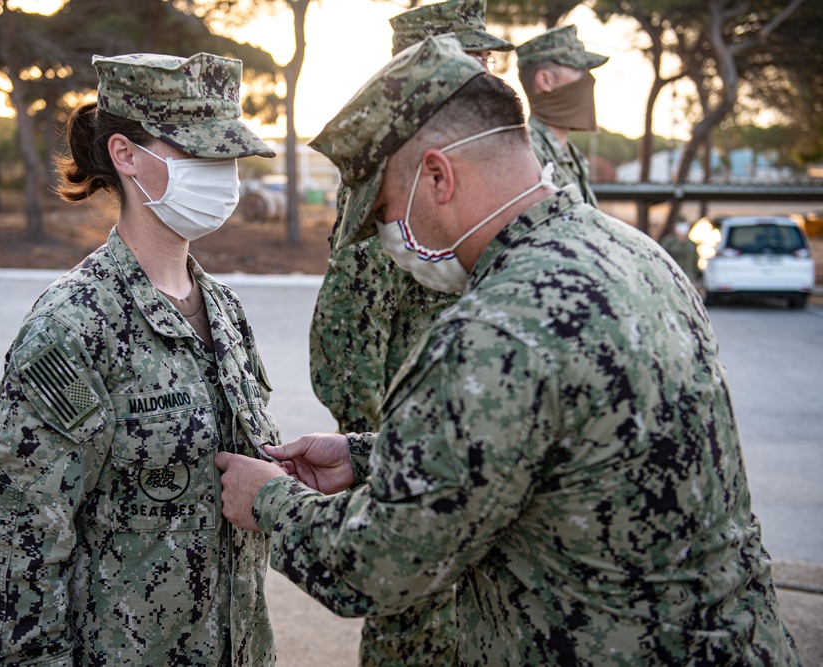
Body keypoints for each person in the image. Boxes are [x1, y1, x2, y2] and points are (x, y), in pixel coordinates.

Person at [215, 35, 802, 665]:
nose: (392, 237)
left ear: (437, 177)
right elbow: (565, 448)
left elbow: (379, 567)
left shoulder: (493, 330)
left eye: (386, 211)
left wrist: (270, 501)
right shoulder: (633, 254)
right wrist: (370, 456)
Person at [0, 53, 280, 666]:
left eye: (227, 156)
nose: (223, 175)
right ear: (126, 156)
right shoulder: (72, 328)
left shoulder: (224, 309)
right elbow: (11, 556)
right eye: (199, 153)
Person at [308, 3, 513, 664]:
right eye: (470, 58)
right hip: (419, 464)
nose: (486, 72)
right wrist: (387, 464)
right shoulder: (389, 182)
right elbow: (346, 341)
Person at [517, 25, 607, 205]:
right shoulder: (527, 152)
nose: (588, 79)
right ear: (545, 81)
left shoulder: (571, 153)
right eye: (578, 69)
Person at [660, 217, 701, 285]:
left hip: (689, 278)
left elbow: (694, 262)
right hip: (672, 277)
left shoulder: (692, 244)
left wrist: (696, 277)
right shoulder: (668, 243)